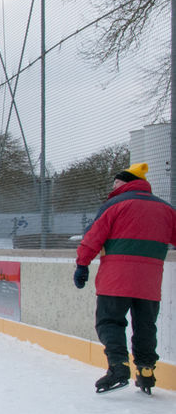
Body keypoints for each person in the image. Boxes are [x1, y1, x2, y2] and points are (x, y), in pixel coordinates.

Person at [74, 162, 176, 394]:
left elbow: (92, 238)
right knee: (145, 326)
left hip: (115, 279)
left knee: (109, 322)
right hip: (149, 282)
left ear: (127, 183)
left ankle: (118, 366)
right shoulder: (166, 209)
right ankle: (146, 370)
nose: (114, 185)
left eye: (117, 182)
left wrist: (82, 264)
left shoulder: (114, 205)